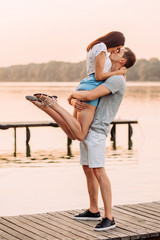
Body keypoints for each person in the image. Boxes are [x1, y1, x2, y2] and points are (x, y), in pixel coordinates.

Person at [26, 47, 136, 231]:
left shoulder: (117, 79)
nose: (114, 51)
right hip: (90, 125)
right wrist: (72, 99)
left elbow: (90, 95)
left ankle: (109, 216)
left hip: (98, 129)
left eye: (119, 51)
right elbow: (87, 93)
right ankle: (94, 210)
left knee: (99, 172)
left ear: (123, 60)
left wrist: (71, 96)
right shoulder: (111, 75)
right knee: (87, 169)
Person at [26, 31, 126, 142]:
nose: (115, 51)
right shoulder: (102, 47)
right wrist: (118, 73)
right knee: (81, 135)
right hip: (92, 86)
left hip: (86, 84)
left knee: (72, 133)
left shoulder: (96, 47)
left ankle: (46, 107)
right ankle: (53, 104)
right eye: (118, 48)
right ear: (115, 42)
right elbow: (99, 76)